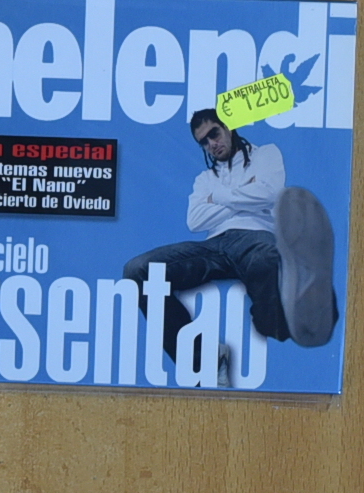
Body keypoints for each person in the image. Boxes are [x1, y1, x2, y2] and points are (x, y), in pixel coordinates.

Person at [123, 108, 338, 386]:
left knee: (268, 262)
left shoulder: (266, 154)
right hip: (214, 246)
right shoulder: (204, 179)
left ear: (229, 127)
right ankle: (204, 360)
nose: (211, 144)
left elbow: (270, 193)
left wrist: (218, 198)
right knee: (138, 271)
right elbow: (195, 221)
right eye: (204, 141)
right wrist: (247, 193)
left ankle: (303, 312)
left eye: (214, 133)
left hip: (256, 236)